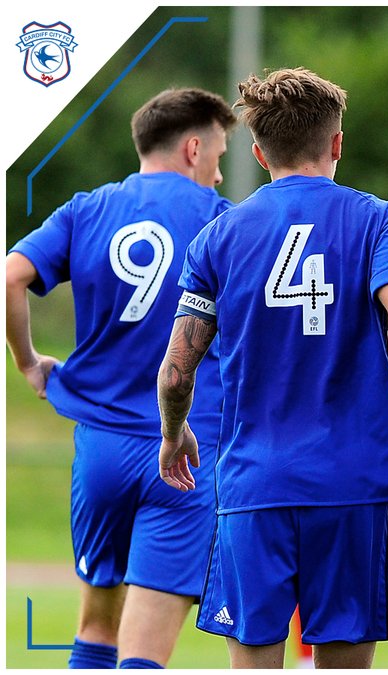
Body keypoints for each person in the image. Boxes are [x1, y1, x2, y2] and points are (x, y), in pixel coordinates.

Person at [156, 67, 388, 669]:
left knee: (255, 659)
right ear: (337, 143)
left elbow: (178, 371)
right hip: (352, 484)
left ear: (258, 151)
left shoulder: (218, 236)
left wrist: (174, 432)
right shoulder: (375, 219)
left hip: (255, 483)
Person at [5, 88, 235, 669]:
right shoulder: (220, 221)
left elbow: (11, 276)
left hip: (101, 449)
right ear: (191, 148)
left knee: (97, 629)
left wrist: (29, 362)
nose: (219, 169)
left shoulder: (86, 209)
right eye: (218, 153)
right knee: (144, 652)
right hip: (183, 447)